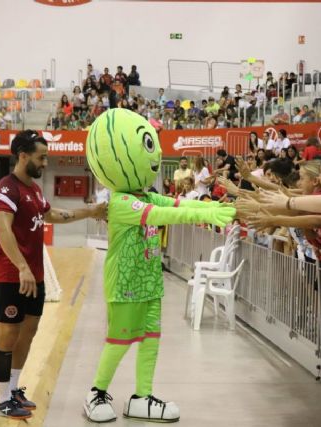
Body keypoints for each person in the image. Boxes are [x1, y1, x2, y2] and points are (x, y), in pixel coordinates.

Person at [83, 109, 235, 423]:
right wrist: (205, 215)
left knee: (151, 339)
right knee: (120, 340)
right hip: (125, 286)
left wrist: (212, 205)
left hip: (149, 282)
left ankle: (142, 396)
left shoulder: (145, 194)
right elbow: (163, 216)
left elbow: (177, 204)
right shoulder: (121, 202)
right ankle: (96, 392)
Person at [0, 130, 107, 419]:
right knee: (8, 334)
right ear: (23, 155)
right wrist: (22, 267)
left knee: (28, 333)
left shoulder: (35, 191)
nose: (45, 163)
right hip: (10, 276)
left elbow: (52, 215)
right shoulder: (7, 189)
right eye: (41, 157)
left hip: (35, 277)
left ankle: (14, 389)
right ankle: (3, 398)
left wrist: (90, 211)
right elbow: (2, 230)